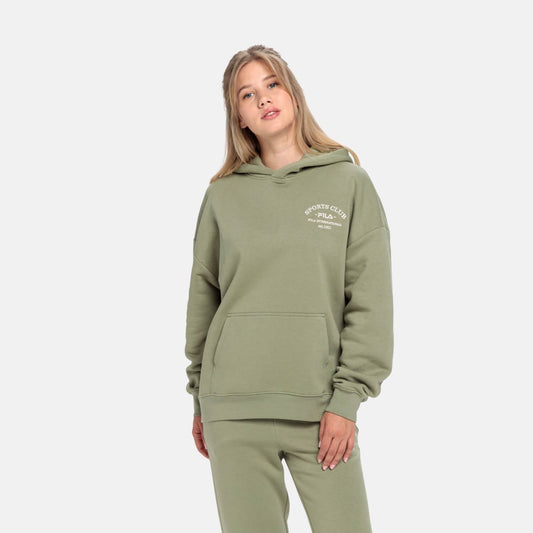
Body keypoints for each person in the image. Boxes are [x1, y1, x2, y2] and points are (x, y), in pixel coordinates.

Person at [184, 44, 394, 533]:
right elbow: (204, 297)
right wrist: (198, 399)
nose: (263, 99)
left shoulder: (349, 183)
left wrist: (347, 399)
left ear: (293, 93)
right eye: (247, 94)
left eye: (272, 84)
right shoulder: (222, 195)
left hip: (321, 408)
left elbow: (370, 300)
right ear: (238, 118)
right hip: (232, 408)